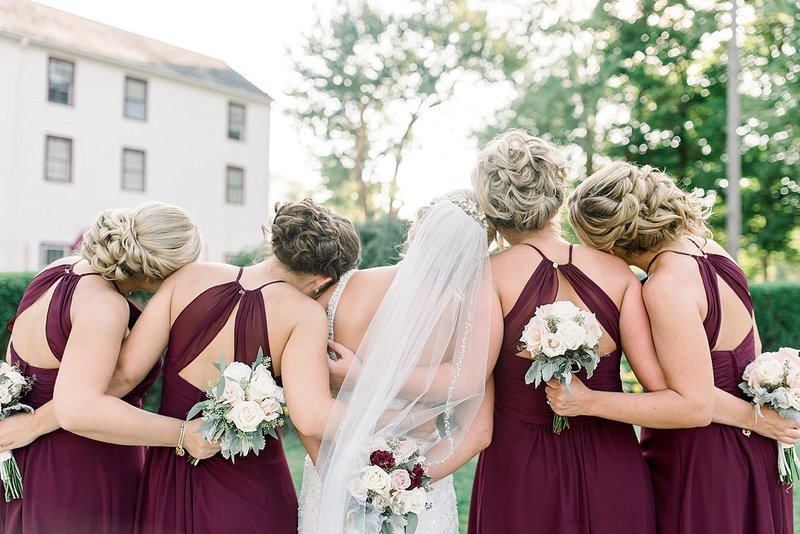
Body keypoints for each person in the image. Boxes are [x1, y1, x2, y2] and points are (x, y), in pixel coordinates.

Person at [52, 199, 360, 534]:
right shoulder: (304, 315)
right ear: (321, 280)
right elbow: (314, 418)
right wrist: (384, 406)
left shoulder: (188, 277)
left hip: (169, 474)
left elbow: (122, 376)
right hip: (252, 486)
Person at [556, 161, 796, 533]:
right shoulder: (713, 251)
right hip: (754, 450)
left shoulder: (666, 286)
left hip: (704, 460)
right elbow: (752, 353)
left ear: (609, 240)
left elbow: (694, 405)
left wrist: (588, 402)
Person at [468, 130, 666, 534]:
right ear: (557, 193)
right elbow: (662, 390)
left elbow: (467, 382)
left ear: (492, 205)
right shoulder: (618, 272)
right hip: (612, 464)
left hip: (520, 468)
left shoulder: (488, 277)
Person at [0, 202, 214, 534]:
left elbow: (21, 358)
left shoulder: (58, 269)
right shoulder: (104, 305)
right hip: (79, 471)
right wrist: (184, 434)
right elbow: (80, 409)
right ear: (158, 271)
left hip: (28, 459)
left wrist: (31, 424)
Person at [297, 190, 500, 534]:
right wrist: (402, 484)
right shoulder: (468, 327)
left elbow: (307, 409)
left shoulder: (340, 292)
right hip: (420, 494)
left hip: (333, 472)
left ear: (416, 228)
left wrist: (340, 479)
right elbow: (477, 433)